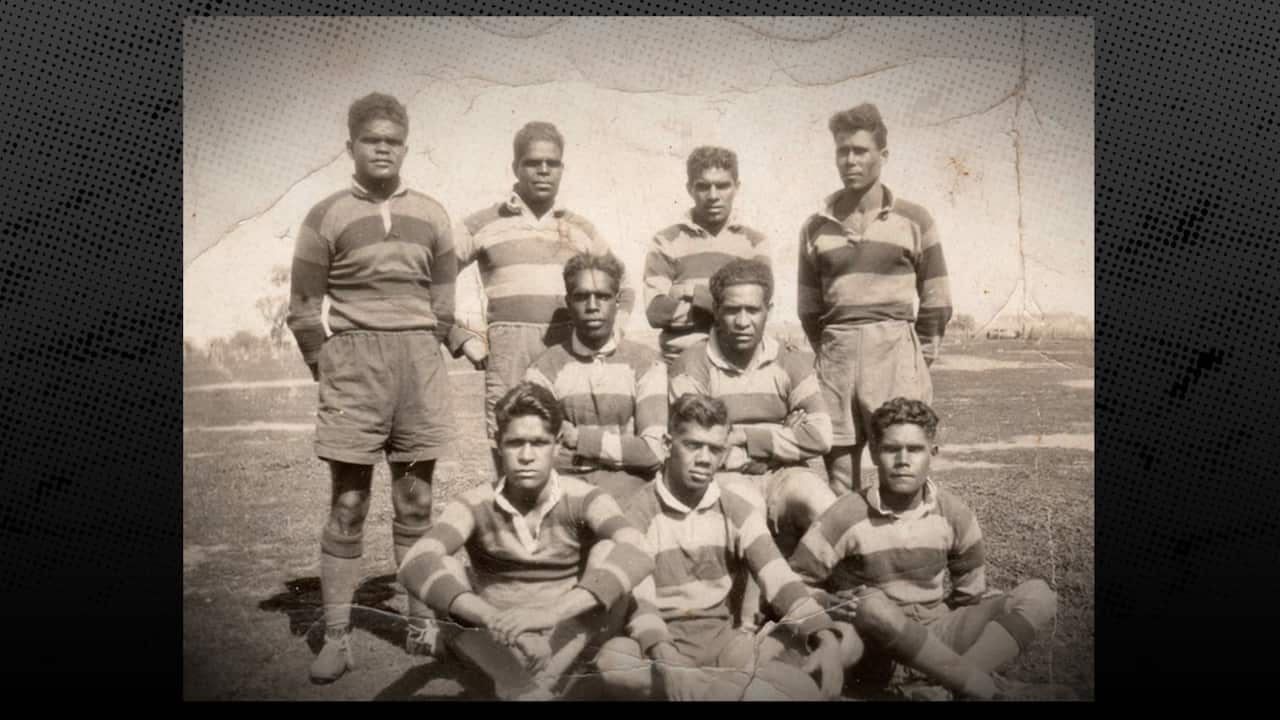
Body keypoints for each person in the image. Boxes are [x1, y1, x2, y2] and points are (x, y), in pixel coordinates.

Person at [285, 92, 463, 683]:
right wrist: (329, 368)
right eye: (371, 140)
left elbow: (442, 307)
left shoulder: (434, 215)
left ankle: (420, 622)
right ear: (351, 147)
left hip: (417, 364)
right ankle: (336, 636)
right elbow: (305, 310)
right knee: (349, 503)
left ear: (405, 147)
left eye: (392, 140)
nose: (382, 148)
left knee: (416, 501)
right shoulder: (325, 215)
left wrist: (424, 351)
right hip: (354, 368)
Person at [397, 382, 655, 700]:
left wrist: (550, 614)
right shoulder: (474, 503)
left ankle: (529, 687)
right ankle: (522, 684)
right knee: (445, 564)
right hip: (499, 645)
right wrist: (494, 618)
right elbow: (414, 562)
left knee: (609, 549)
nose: (527, 456)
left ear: (557, 444)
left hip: (567, 638)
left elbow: (639, 549)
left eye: (539, 443)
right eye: (515, 443)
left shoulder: (586, 497)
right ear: (498, 445)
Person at [788, 398, 1059, 701]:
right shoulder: (845, 515)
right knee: (872, 605)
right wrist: (831, 601)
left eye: (915, 449)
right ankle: (967, 686)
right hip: (873, 644)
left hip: (935, 632)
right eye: (892, 449)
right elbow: (794, 583)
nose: (903, 460)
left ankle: (953, 683)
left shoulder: (954, 514)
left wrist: (968, 621)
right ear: (874, 454)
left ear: (933, 454)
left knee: (1038, 594)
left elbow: (968, 596)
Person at [594, 394, 848, 701]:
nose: (704, 458)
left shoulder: (736, 510)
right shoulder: (638, 513)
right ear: (667, 444)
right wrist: (665, 655)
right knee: (614, 662)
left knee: (806, 688)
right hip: (660, 642)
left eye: (714, 449)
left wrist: (825, 636)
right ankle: (733, 692)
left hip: (721, 642)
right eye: (692, 445)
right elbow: (640, 602)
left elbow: (779, 578)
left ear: (724, 451)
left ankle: (707, 691)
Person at [450, 121, 635, 473]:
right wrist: (461, 338)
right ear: (516, 167)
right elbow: (432, 281)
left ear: (562, 168)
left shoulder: (580, 228)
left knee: (565, 454)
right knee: (511, 456)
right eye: (533, 163)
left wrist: (618, 328)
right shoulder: (481, 224)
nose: (543, 171)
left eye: (553, 163)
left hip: (566, 351)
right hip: (510, 354)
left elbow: (623, 282)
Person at [668, 258, 838, 628]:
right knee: (748, 508)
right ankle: (749, 623)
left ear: (769, 310)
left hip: (783, 474)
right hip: (729, 479)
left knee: (826, 506)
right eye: (731, 310)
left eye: (752, 309)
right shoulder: (691, 364)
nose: (743, 321)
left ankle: (806, 591)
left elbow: (821, 436)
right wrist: (781, 436)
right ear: (716, 311)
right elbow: (699, 449)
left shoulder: (791, 363)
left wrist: (745, 437)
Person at [797, 103, 952, 495]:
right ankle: (850, 553)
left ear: (883, 156)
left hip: (896, 352)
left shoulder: (916, 220)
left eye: (860, 151)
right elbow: (809, 307)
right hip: (837, 355)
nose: (850, 160)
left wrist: (916, 358)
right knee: (839, 479)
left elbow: (936, 300)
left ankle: (900, 552)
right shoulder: (816, 227)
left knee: (899, 471)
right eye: (842, 151)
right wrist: (834, 347)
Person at [524, 252, 666, 502]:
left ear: (618, 301)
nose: (592, 306)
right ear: (568, 302)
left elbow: (652, 453)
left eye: (602, 296)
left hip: (631, 494)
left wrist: (577, 438)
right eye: (581, 297)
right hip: (566, 496)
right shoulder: (543, 369)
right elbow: (540, 455)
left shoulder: (647, 364)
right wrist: (624, 449)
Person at [643, 146, 771, 364]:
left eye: (722, 186)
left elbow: (758, 307)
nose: (713, 196)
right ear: (689, 189)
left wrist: (691, 292)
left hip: (736, 362)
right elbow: (655, 312)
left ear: (736, 187)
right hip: (679, 360)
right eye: (703, 186)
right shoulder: (666, 241)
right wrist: (725, 310)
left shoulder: (754, 244)